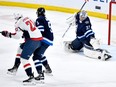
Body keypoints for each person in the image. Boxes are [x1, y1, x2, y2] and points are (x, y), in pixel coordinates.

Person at [7, 7, 53, 77]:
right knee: (38, 53)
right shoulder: (42, 19)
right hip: (48, 39)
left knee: (36, 56)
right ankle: (48, 69)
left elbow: (40, 30)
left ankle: (40, 75)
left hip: (43, 39)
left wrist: (29, 38)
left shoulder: (39, 19)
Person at [1, 13, 44, 83]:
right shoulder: (28, 17)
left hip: (32, 41)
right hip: (39, 40)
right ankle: (15, 68)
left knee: (24, 59)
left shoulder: (18, 23)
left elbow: (17, 36)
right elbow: (34, 25)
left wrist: (8, 34)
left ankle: (31, 77)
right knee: (20, 49)